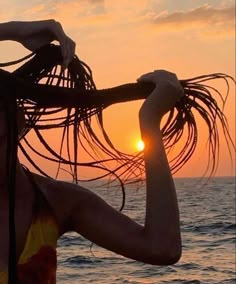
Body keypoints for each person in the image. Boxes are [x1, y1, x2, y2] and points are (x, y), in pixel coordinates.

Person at [0, 20, 182, 283]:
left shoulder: (55, 202)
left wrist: (150, 123)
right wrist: (13, 31)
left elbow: (161, 248)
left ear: (18, 120)